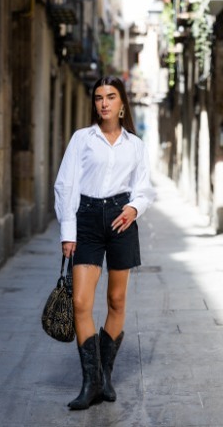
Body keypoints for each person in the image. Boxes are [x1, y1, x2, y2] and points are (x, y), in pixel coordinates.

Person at [54, 76, 155, 410]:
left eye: (111, 97)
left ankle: (105, 377)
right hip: (87, 219)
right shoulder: (82, 139)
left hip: (121, 220)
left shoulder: (135, 145)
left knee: (116, 300)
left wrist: (134, 207)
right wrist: (68, 231)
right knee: (81, 302)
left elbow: (144, 187)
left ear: (122, 103)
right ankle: (91, 381)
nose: (104, 103)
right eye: (99, 98)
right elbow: (66, 183)